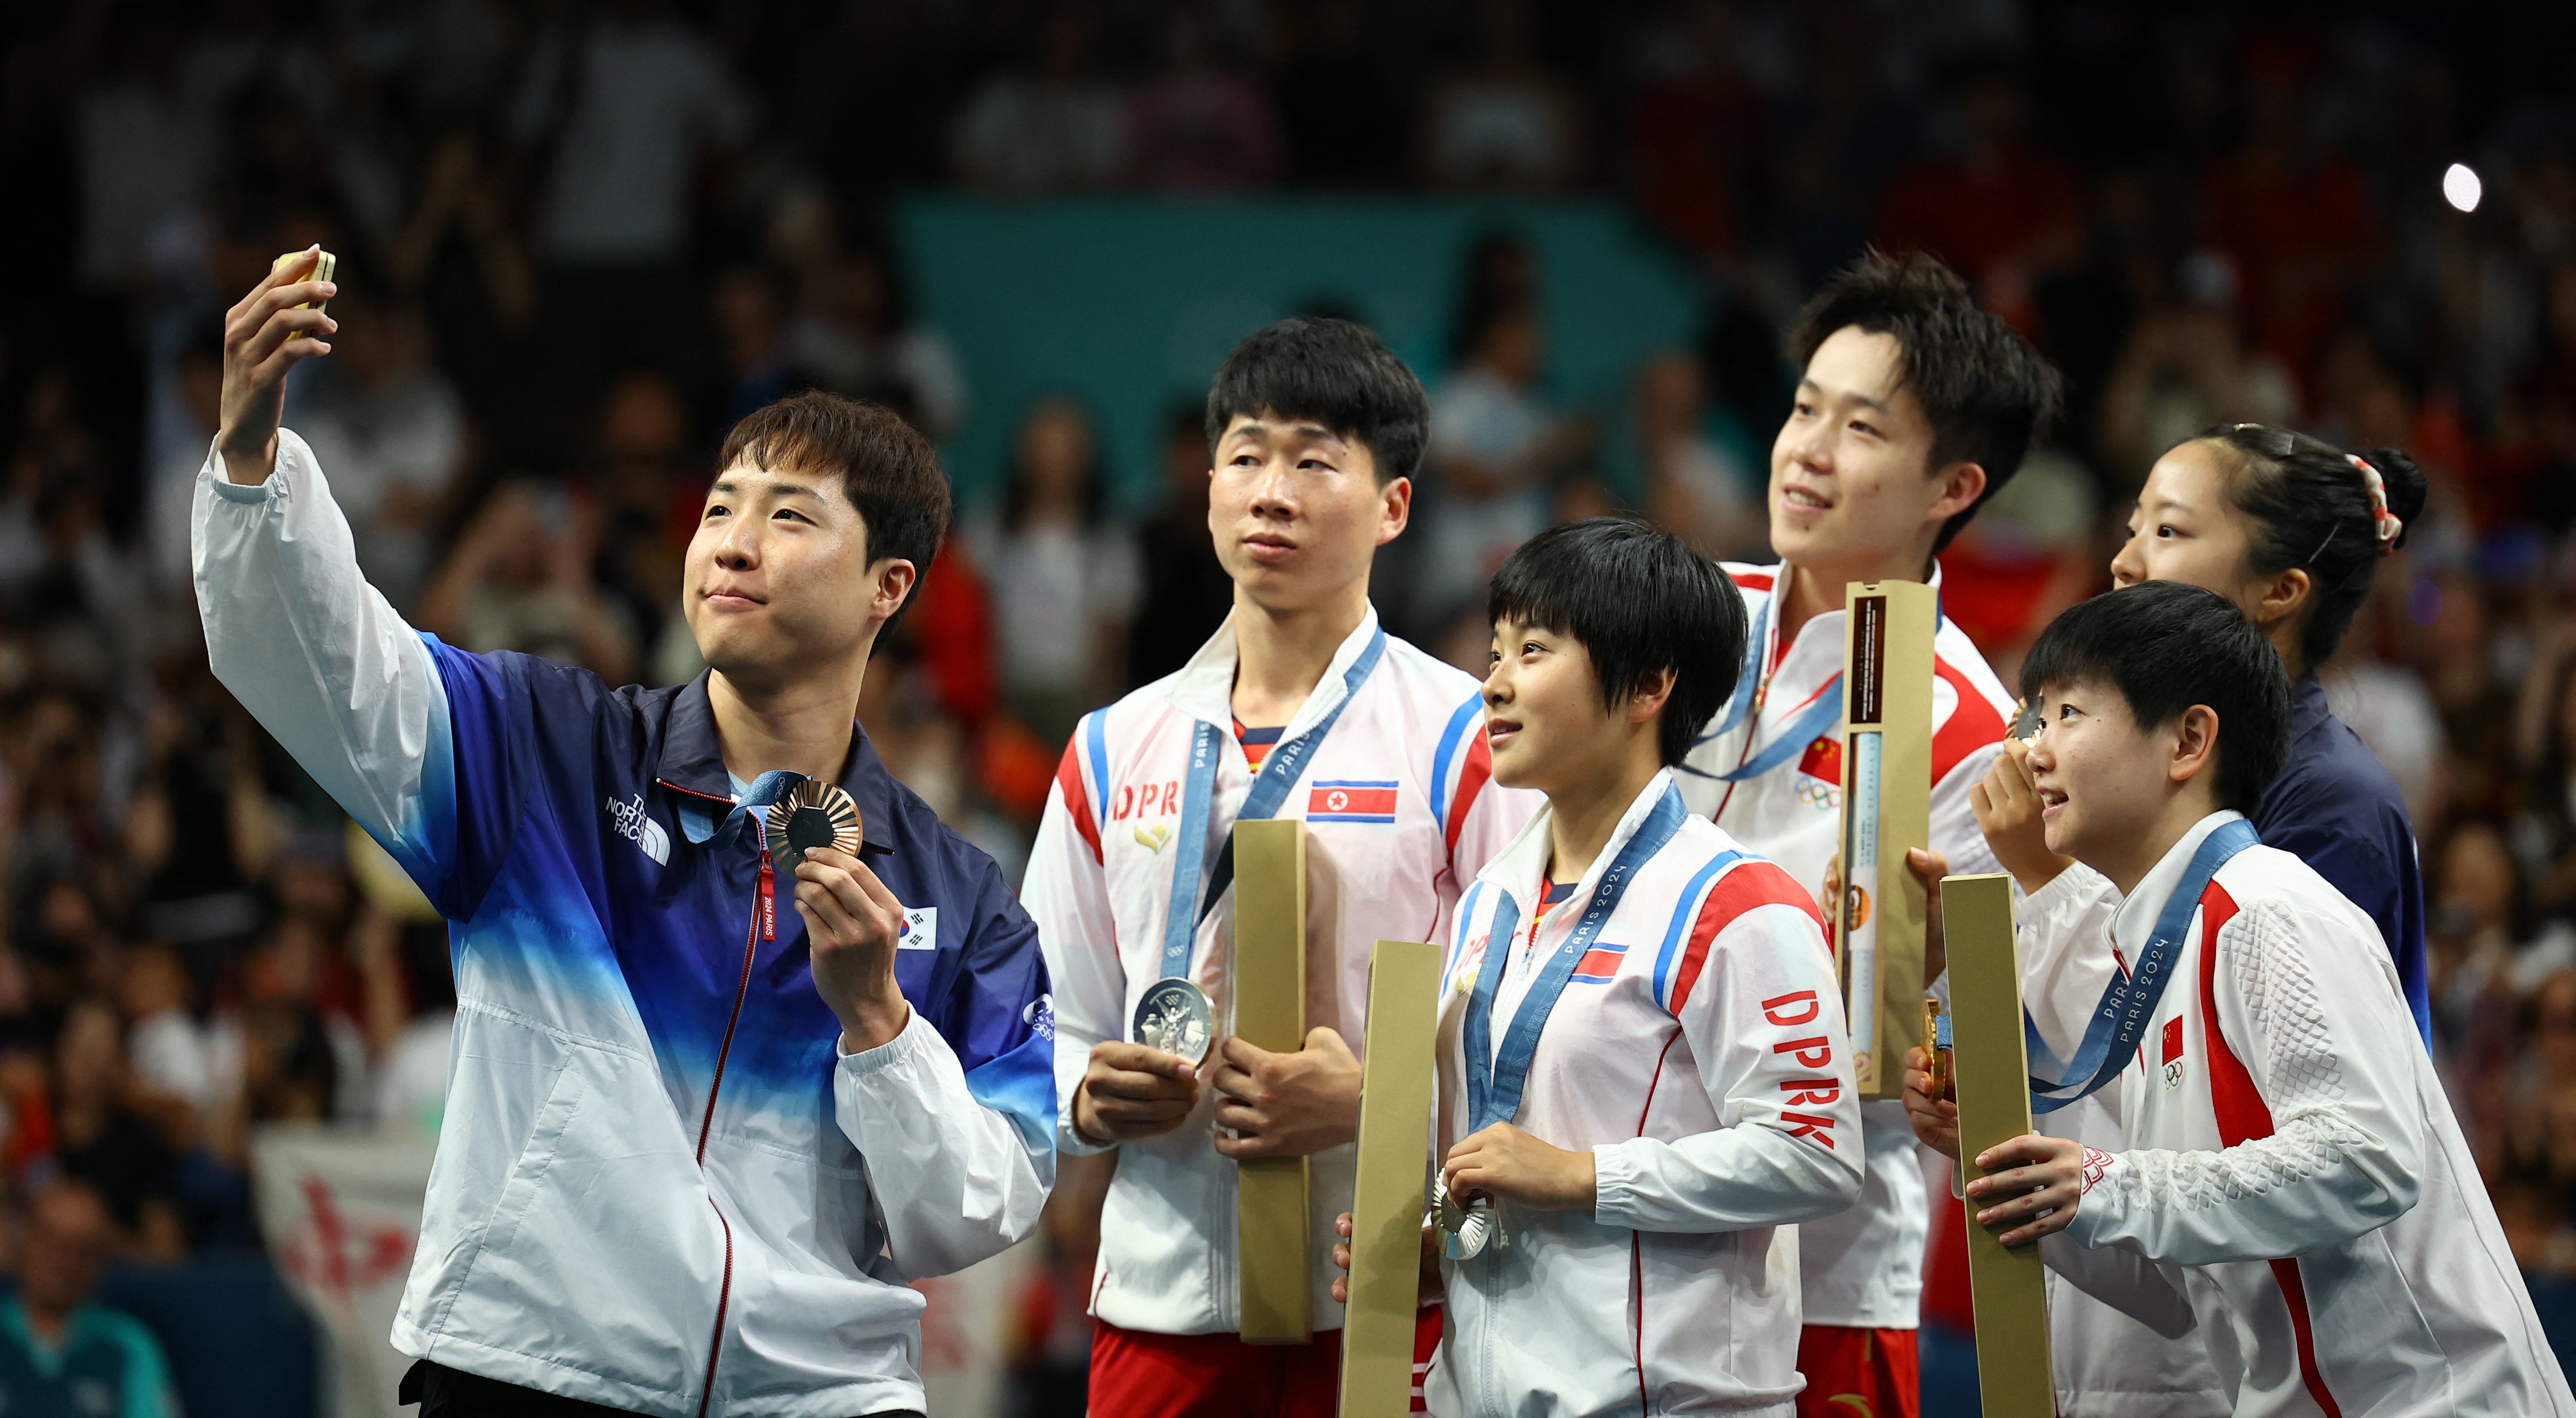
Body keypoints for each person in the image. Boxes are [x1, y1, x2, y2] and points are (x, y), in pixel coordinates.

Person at [196, 251, 1053, 1417]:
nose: (732, 543)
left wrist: (879, 1023)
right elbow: (329, 664)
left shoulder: (966, 900)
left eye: (789, 516)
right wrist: (252, 463)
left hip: (818, 1396)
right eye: (719, 511)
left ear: (886, 588)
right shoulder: (544, 750)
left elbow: (972, 1214)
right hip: (535, 1369)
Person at [1023, 317, 1537, 1418]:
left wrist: (1378, 1099)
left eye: (1314, 459)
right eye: (1247, 455)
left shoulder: (1466, 737)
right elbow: (1037, 1015)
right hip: (1161, 1302)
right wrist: (1087, 1095)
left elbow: (1532, 1014)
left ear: (1393, 505)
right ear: (1207, 484)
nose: (1271, 490)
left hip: (1388, 1288)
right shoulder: (1112, 746)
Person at [1903, 582, 2576, 1416]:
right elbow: (2181, 1292)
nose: (2031, 752)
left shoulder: (2262, 908)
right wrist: (2030, 1183)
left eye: (2067, 713)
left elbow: (2364, 1156)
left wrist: (2106, 1181)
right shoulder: (2157, 949)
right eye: (2034, 720)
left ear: (2187, 739)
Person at [1329, 518, 1863, 1414]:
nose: (1491, 685)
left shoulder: (1734, 903)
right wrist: (1451, 1246)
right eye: (1494, 651)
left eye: (1531, 652)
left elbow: (1815, 1156)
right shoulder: (1490, 899)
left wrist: (1580, 1177)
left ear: (1650, 684)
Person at [1960, 425, 2439, 1415]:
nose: (2123, 561)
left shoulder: (2301, 840)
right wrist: (2008, 1135)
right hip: (2219, 1316)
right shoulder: (2141, 816)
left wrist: (2040, 886)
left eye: (2168, 531)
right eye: (2130, 525)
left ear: (2278, 592)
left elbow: (2326, 1142)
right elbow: (2150, 1098)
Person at [1672, 249, 2058, 1418]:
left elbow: (1914, 1063)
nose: (1806, 450)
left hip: (1818, 1274)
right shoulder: (1682, 624)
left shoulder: (1973, 741)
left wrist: (1922, 990)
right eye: (1801, 410)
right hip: (1599, 1220)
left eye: (1861, 428)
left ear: (1952, 486)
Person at [0, 1182, 182, 1418]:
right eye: (49, 1238)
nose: (62, 1260)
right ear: (25, 1241)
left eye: (82, 1248)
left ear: (99, 1261)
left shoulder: (129, 1346)